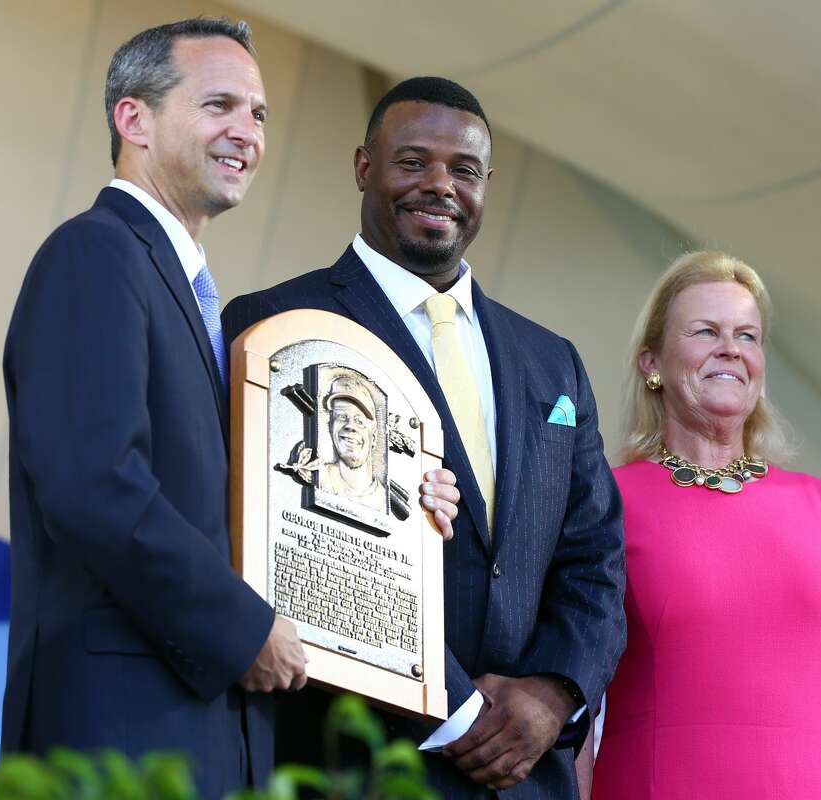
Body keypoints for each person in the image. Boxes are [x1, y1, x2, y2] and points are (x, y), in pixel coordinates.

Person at [2, 20, 459, 797]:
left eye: (259, 114)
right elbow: (92, 483)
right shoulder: (96, 253)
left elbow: (249, 497)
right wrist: (243, 629)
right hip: (121, 728)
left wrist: (399, 499)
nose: (246, 133)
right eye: (219, 105)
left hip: (209, 729)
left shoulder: (192, 298)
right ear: (133, 120)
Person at [223, 76, 626, 798]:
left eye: (464, 170)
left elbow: (594, 556)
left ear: (486, 186)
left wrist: (552, 696)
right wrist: (455, 706)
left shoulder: (550, 359)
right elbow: (285, 553)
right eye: (413, 162)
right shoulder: (277, 326)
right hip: (356, 758)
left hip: (528, 773)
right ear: (363, 167)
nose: (440, 185)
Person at [591, 251, 821, 799]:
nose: (731, 348)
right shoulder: (608, 497)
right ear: (651, 363)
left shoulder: (820, 503)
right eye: (706, 331)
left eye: (747, 336)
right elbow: (576, 688)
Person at [318, 376, 385, 508]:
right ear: (330, 427)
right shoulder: (318, 478)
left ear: (375, 437)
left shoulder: (383, 499)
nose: (350, 426)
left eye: (359, 421)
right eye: (342, 417)